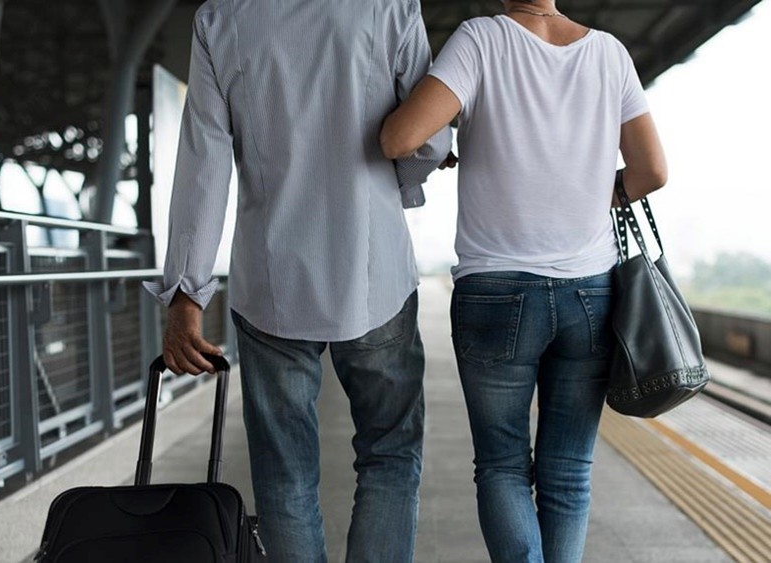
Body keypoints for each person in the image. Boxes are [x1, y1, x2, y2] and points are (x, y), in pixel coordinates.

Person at [143, 1, 452, 561]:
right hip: (375, 269)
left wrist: (187, 295)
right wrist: (402, 182)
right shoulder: (389, 8)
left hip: (270, 283)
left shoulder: (220, 19)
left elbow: (204, 162)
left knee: (285, 475)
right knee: (390, 455)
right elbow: (428, 138)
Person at [380, 0, 667, 561]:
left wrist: (438, 147)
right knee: (568, 474)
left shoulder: (481, 39)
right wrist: (593, 195)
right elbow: (652, 170)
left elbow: (397, 138)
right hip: (592, 291)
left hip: (496, 290)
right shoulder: (609, 53)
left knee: (503, 465)